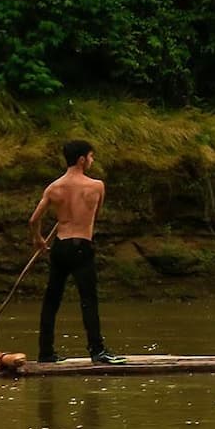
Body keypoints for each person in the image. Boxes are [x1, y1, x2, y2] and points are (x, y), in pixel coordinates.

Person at [28, 140, 125, 364]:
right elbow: (94, 215)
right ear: (82, 160)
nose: (92, 160)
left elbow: (33, 220)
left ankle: (45, 352)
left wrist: (38, 239)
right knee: (88, 300)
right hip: (82, 246)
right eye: (91, 156)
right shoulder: (96, 186)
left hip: (60, 246)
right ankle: (97, 350)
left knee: (51, 301)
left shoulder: (54, 188)